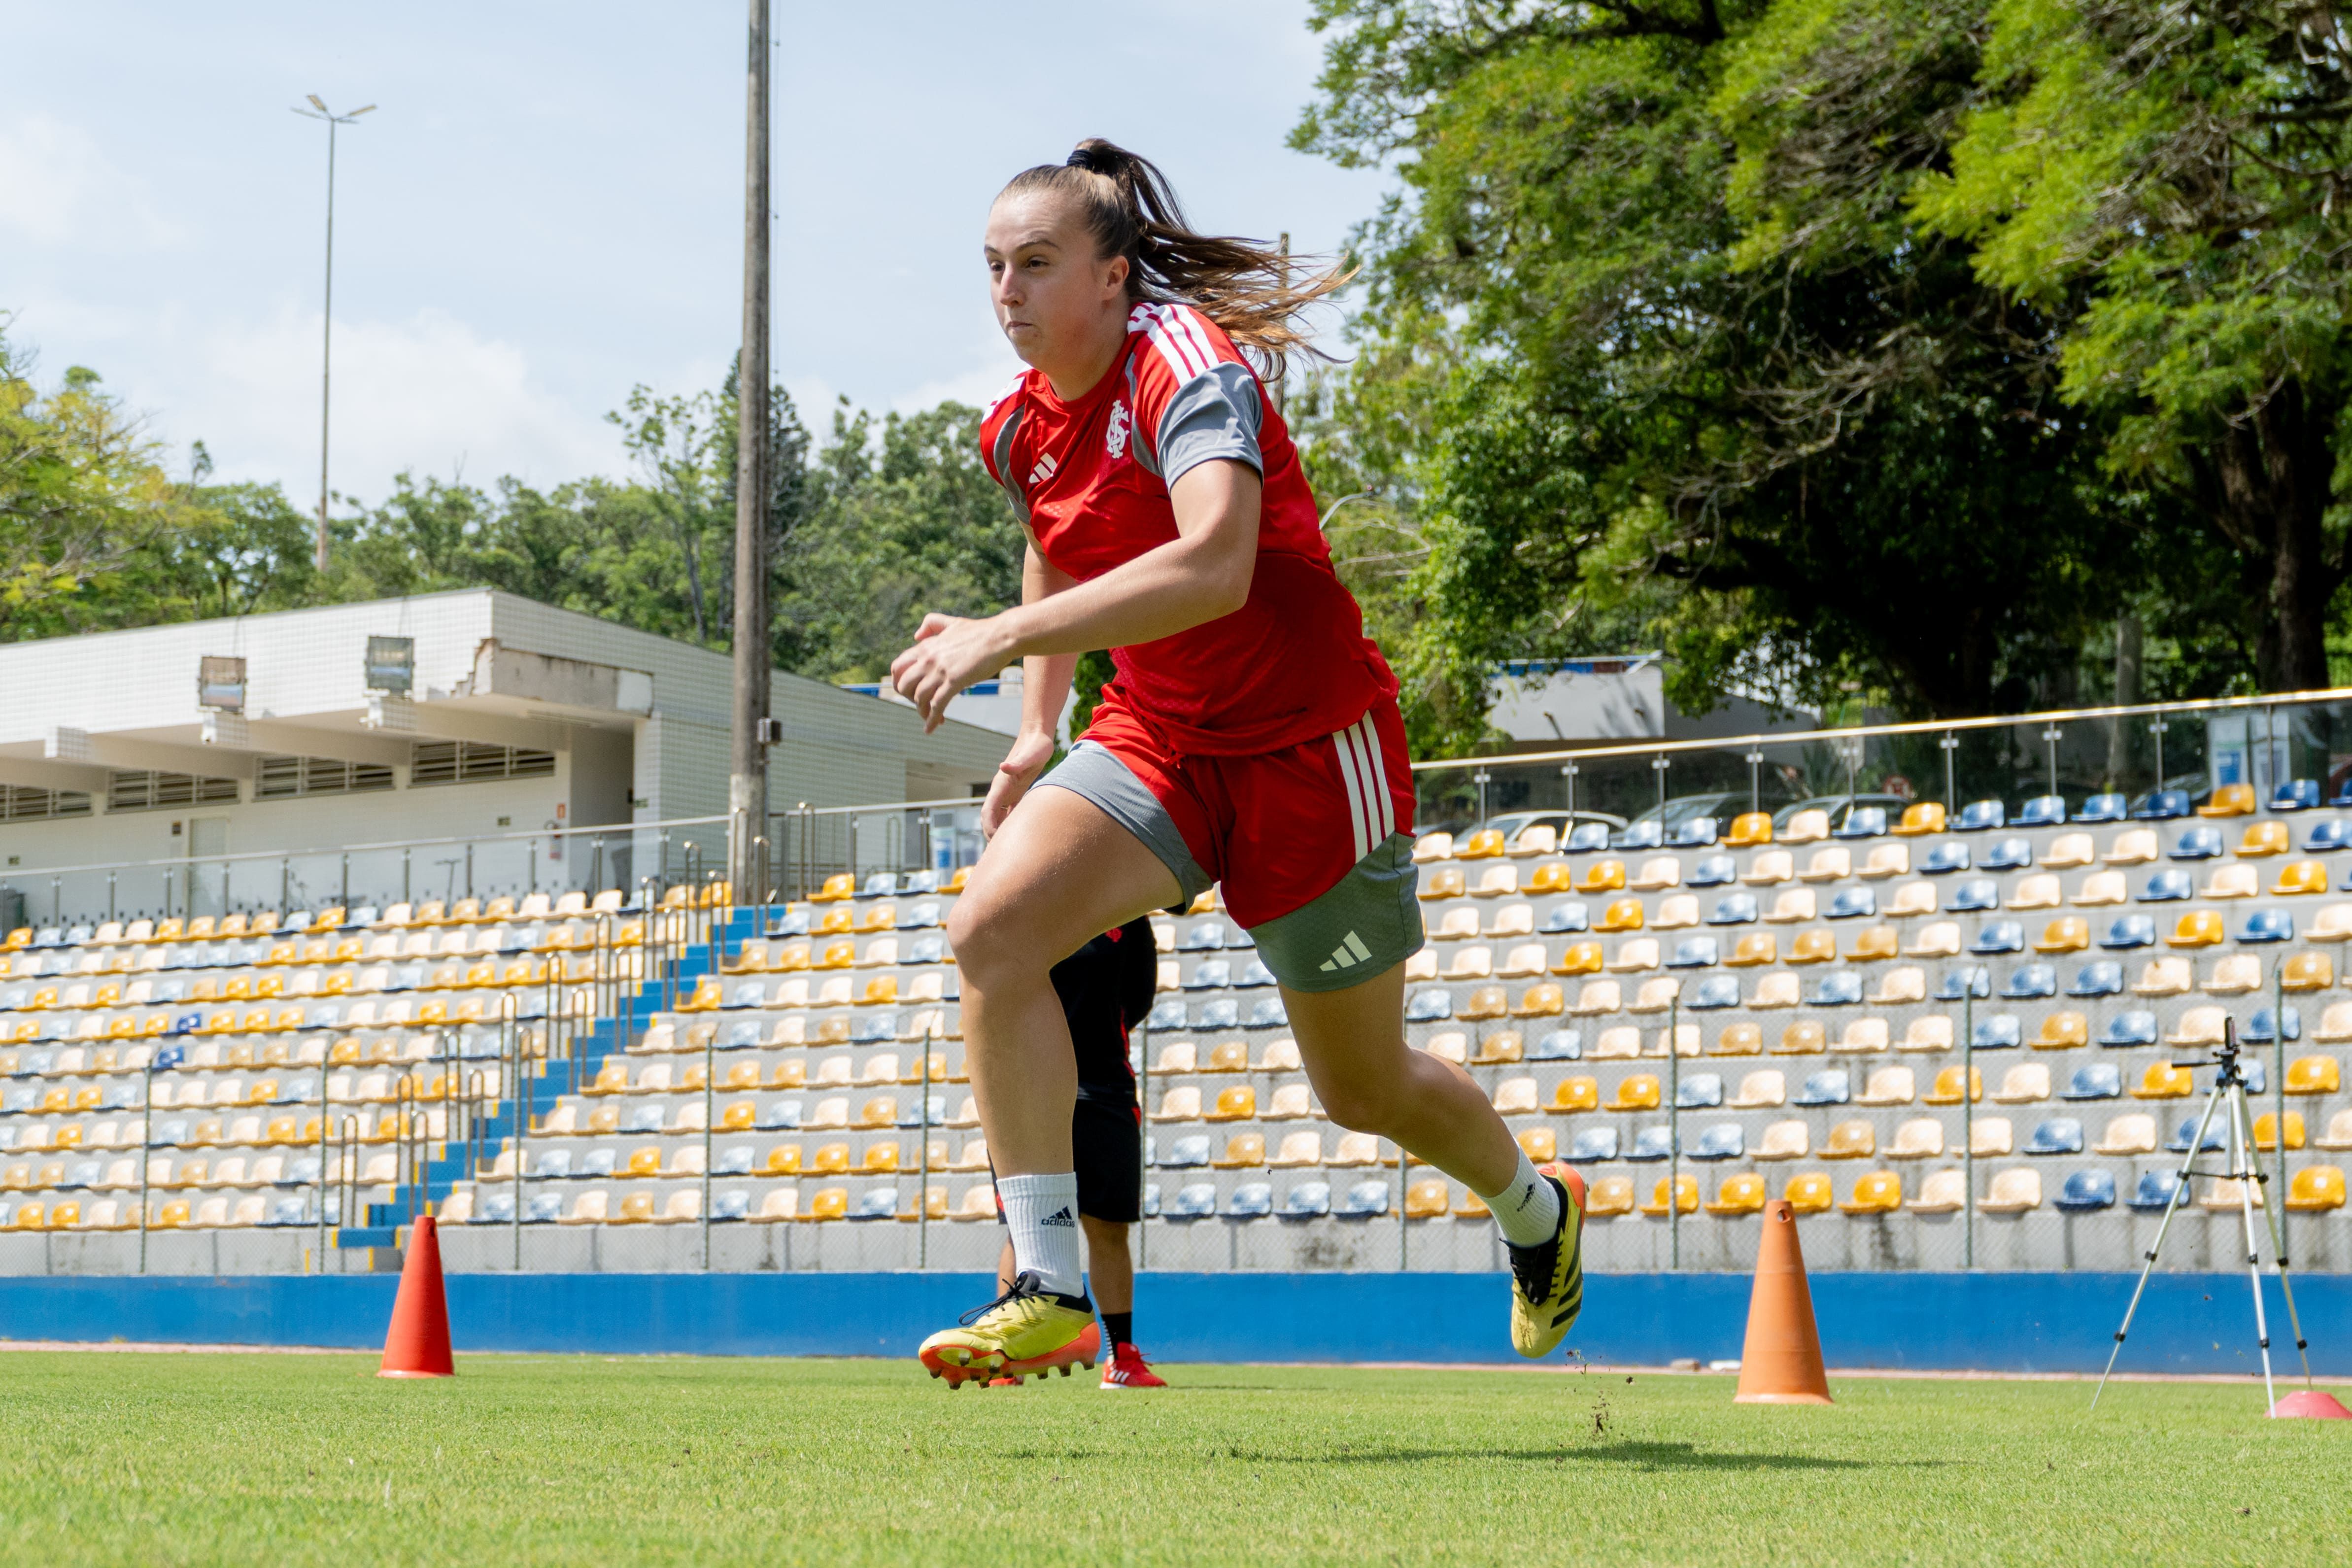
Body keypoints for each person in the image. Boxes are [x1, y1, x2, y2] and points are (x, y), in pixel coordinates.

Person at [900, 140, 1585, 1388]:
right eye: (992, 266)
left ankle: (1535, 1210)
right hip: (1158, 739)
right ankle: (1044, 1284)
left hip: (1309, 752)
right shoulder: (1019, 426)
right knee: (989, 931)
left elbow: (1214, 563)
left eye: (1035, 264)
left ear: (1112, 275)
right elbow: (1055, 546)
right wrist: (1036, 725)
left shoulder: (1184, 364)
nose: (1006, 291)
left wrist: (998, 639)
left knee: (1360, 1089)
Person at [985, 917, 1166, 1390]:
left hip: (1104, 1088)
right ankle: (1003, 1356)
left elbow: (1139, 997)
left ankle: (1121, 1357)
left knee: (1109, 1228)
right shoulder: (1022, 907)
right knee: (1024, 1226)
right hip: (1026, 1088)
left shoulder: (1129, 916)